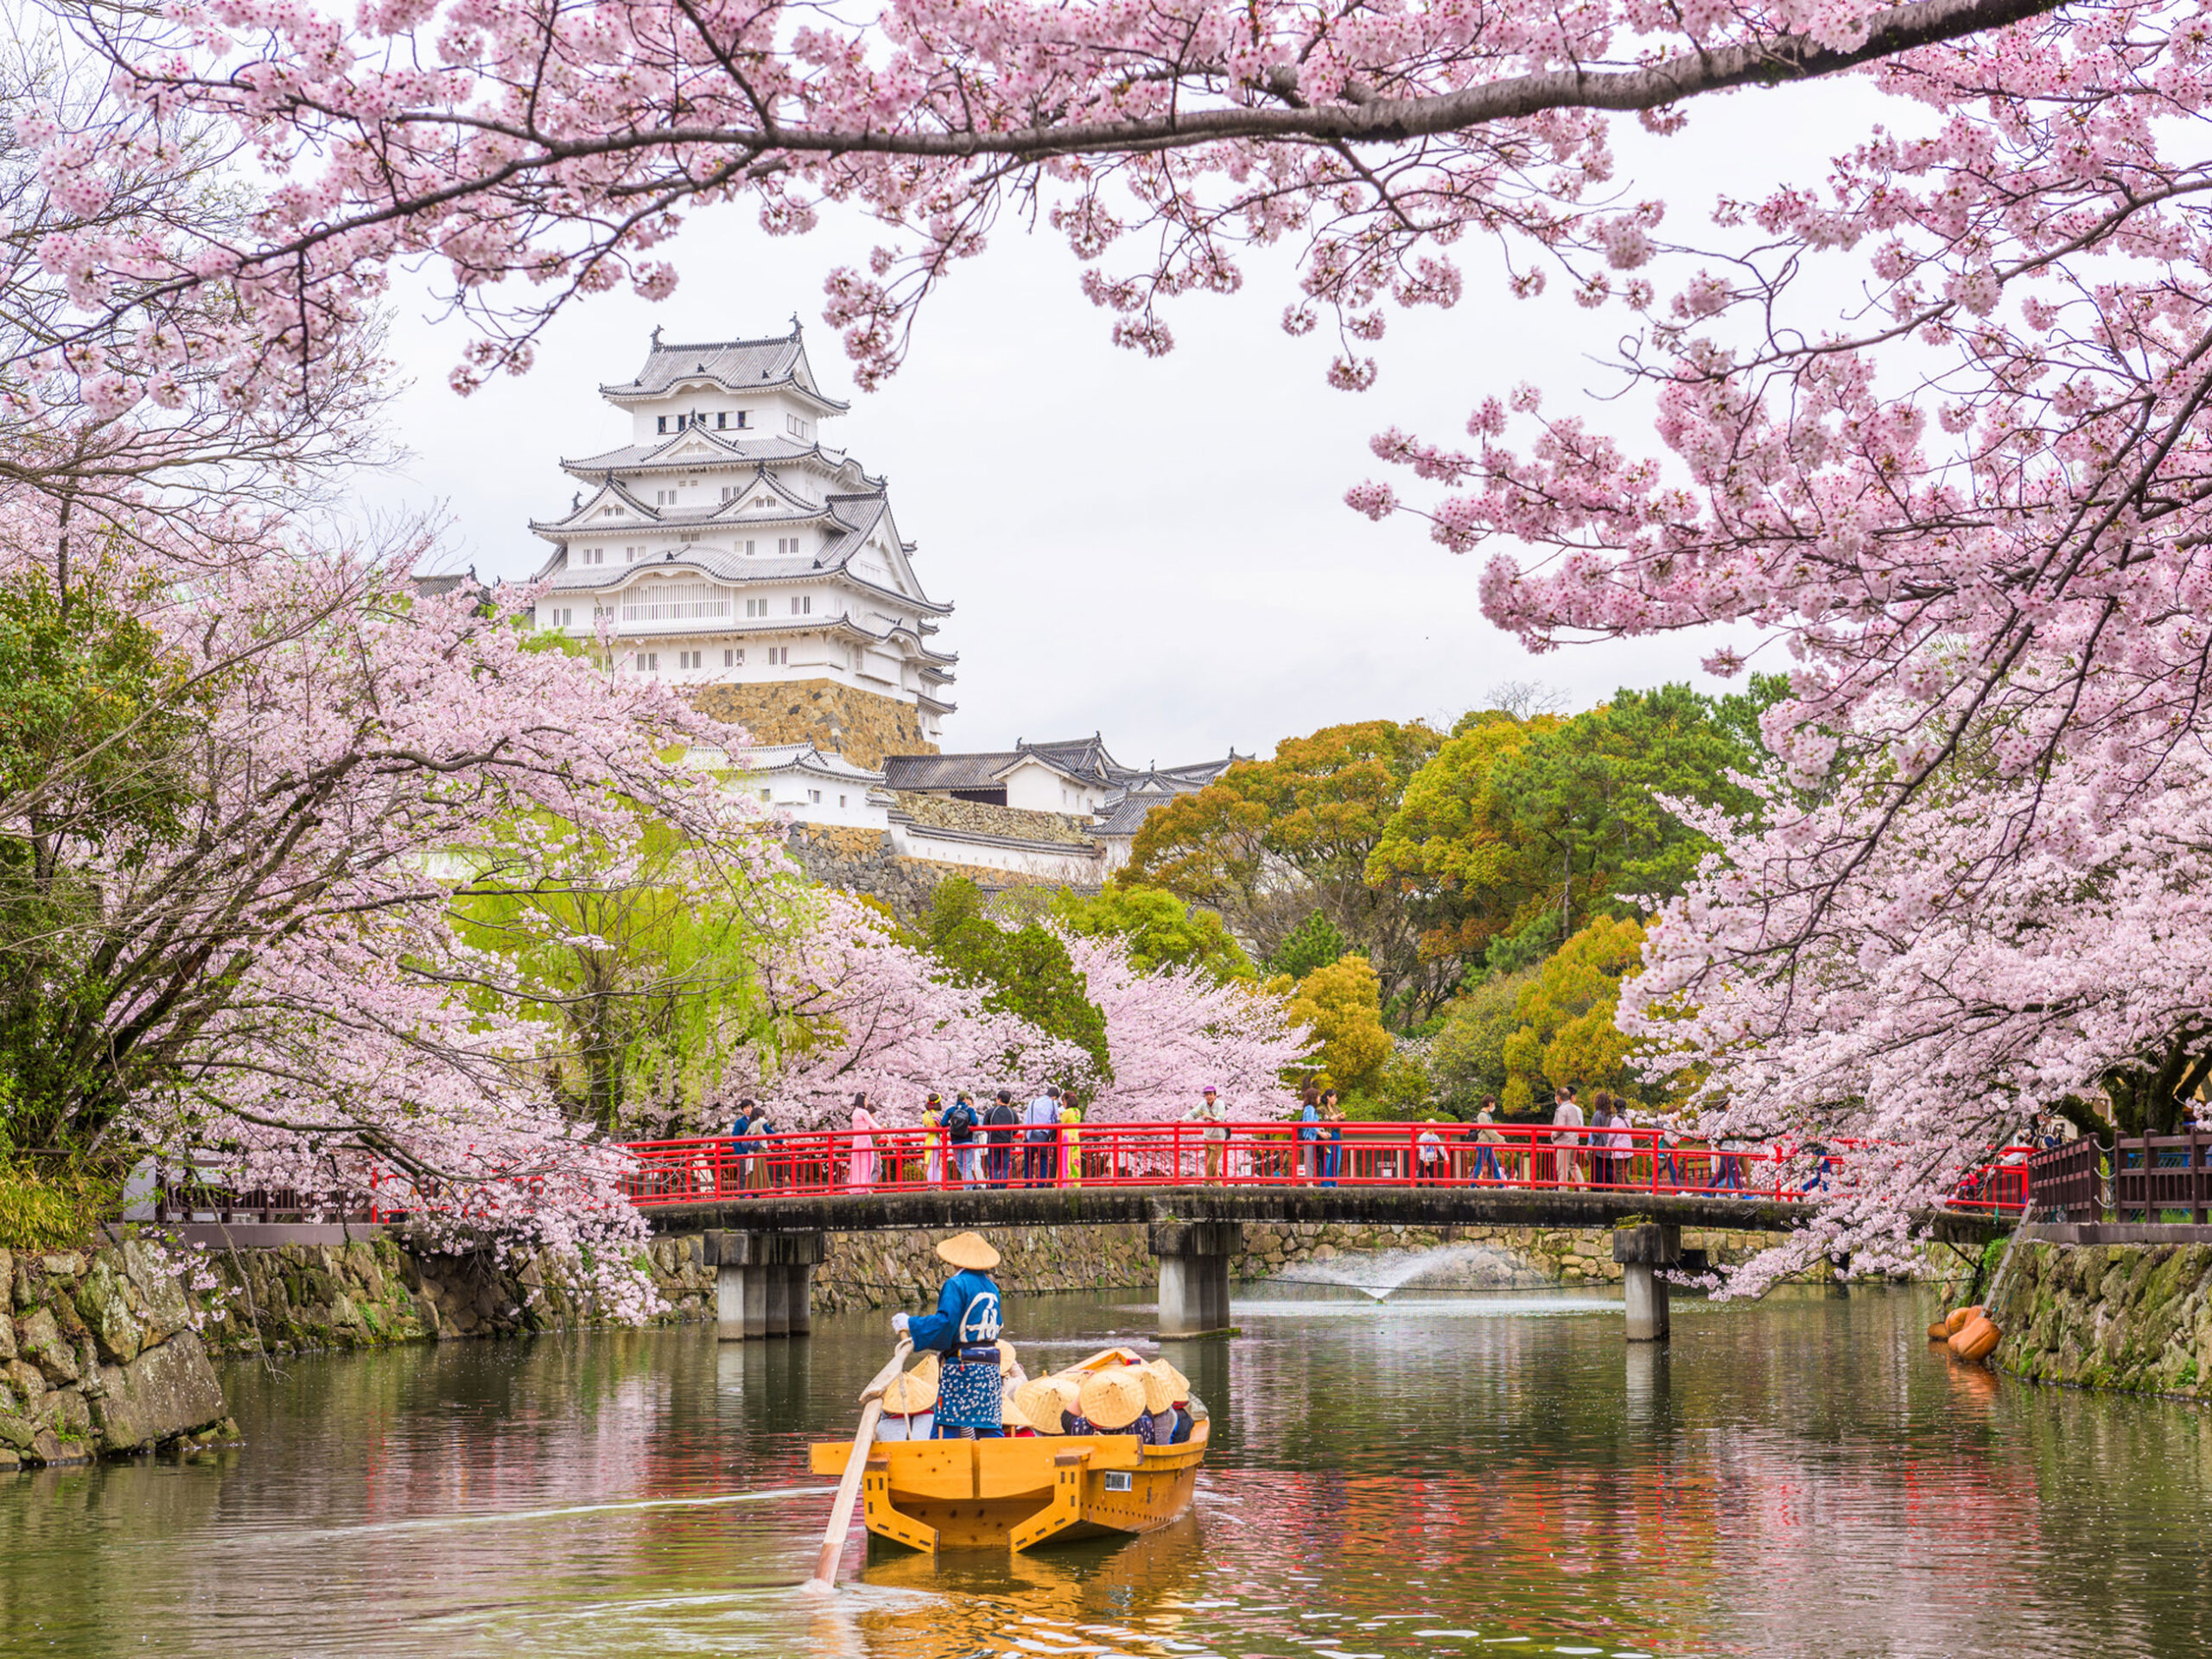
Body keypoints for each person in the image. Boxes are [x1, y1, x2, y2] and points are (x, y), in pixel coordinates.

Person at [893, 1233, 1009, 1439]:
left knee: (946, 1425)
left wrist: (910, 1323)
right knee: (988, 1426)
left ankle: (939, 1458)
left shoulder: (956, 1284)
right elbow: (998, 1324)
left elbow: (945, 1323)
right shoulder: (992, 1287)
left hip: (963, 1366)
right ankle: (998, 1458)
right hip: (990, 1368)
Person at [1185, 1084, 1229, 1183]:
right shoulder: (1203, 1105)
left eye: (1210, 1094)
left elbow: (1220, 1117)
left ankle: (1206, 1182)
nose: (1209, 1096)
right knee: (1213, 1166)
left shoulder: (1220, 1104)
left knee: (1211, 1162)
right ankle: (1219, 1188)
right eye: (1206, 1095)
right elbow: (1193, 1113)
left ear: (1215, 1095)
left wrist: (1211, 1118)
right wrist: (1182, 1120)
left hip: (1218, 1138)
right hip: (1207, 1138)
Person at [1024, 1084, 1061, 1186]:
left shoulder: (1032, 1102)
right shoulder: (1053, 1103)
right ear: (1055, 1097)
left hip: (1030, 1136)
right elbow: (1056, 1120)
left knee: (1028, 1162)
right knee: (1043, 1162)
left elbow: (1027, 1121)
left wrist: (1024, 1136)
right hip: (1044, 1137)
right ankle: (1041, 1185)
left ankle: (1028, 1185)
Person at [942, 1090, 981, 1188]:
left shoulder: (951, 1110)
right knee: (967, 1165)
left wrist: (952, 1126)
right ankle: (969, 1188)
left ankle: (970, 1185)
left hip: (955, 1141)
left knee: (960, 1164)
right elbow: (975, 1122)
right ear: (965, 1099)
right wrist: (966, 1126)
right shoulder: (969, 1110)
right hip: (968, 1140)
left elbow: (943, 1123)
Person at [984, 1090, 1020, 1188]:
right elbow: (1016, 1129)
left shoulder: (991, 1112)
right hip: (1007, 1142)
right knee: (1004, 1167)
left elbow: (985, 1126)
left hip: (993, 1142)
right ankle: (1003, 1187)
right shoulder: (1013, 1113)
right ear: (1009, 1101)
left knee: (993, 1166)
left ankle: (994, 1186)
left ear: (998, 1099)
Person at [1552, 1087, 1585, 1187]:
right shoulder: (1574, 1109)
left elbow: (1560, 1128)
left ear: (1558, 1097)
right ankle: (1583, 1187)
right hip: (1573, 1141)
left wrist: (1554, 1135)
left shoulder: (1561, 1110)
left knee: (1562, 1169)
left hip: (1563, 1142)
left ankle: (1562, 1191)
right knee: (1573, 1165)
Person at [1467, 1097, 1505, 1185]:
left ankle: (1501, 1186)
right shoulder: (1482, 1115)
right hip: (1483, 1144)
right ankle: (1472, 1186)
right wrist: (1501, 1140)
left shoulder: (1486, 1115)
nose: (1494, 1106)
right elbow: (1489, 1130)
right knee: (1479, 1167)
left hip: (1488, 1144)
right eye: (1493, 1104)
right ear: (1490, 1103)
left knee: (1495, 1167)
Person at [848, 1093, 880, 1191]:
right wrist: (884, 1131)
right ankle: (864, 1187)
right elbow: (875, 1127)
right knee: (867, 1164)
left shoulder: (855, 1112)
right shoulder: (864, 1112)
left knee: (857, 1165)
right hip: (865, 1140)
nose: (867, 1102)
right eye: (866, 1100)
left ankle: (856, 1187)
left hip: (857, 1140)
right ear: (862, 1101)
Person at [1058, 1090, 1084, 1188]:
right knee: (1075, 1160)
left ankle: (1065, 1183)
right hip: (1075, 1137)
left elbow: (1060, 1122)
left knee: (1065, 1160)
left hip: (1067, 1137)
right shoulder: (1077, 1112)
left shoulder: (1067, 1112)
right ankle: (1075, 1183)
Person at [1296, 1087, 1322, 1181]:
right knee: (1309, 1161)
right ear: (1314, 1097)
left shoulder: (1310, 1109)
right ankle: (1309, 1182)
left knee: (1310, 1160)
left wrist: (1319, 1129)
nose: (1319, 1098)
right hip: (1309, 1138)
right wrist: (1320, 1133)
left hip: (1311, 1137)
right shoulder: (1310, 1108)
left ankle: (1310, 1181)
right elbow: (1310, 1124)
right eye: (1318, 1096)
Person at [922, 1091, 947, 1188]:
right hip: (934, 1140)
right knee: (934, 1164)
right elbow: (942, 1127)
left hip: (928, 1139)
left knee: (933, 1163)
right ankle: (933, 1184)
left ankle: (934, 1183)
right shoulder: (935, 1116)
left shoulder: (925, 1115)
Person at [1416, 1120, 1446, 1185]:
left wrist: (1446, 1157)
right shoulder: (1423, 1137)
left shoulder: (1435, 1137)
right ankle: (1418, 1189)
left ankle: (1432, 1189)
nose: (1434, 1129)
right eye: (1433, 1127)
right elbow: (1422, 1149)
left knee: (1432, 1176)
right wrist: (1425, 1159)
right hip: (1423, 1160)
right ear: (1428, 1127)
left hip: (1433, 1159)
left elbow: (1440, 1147)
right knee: (1421, 1175)